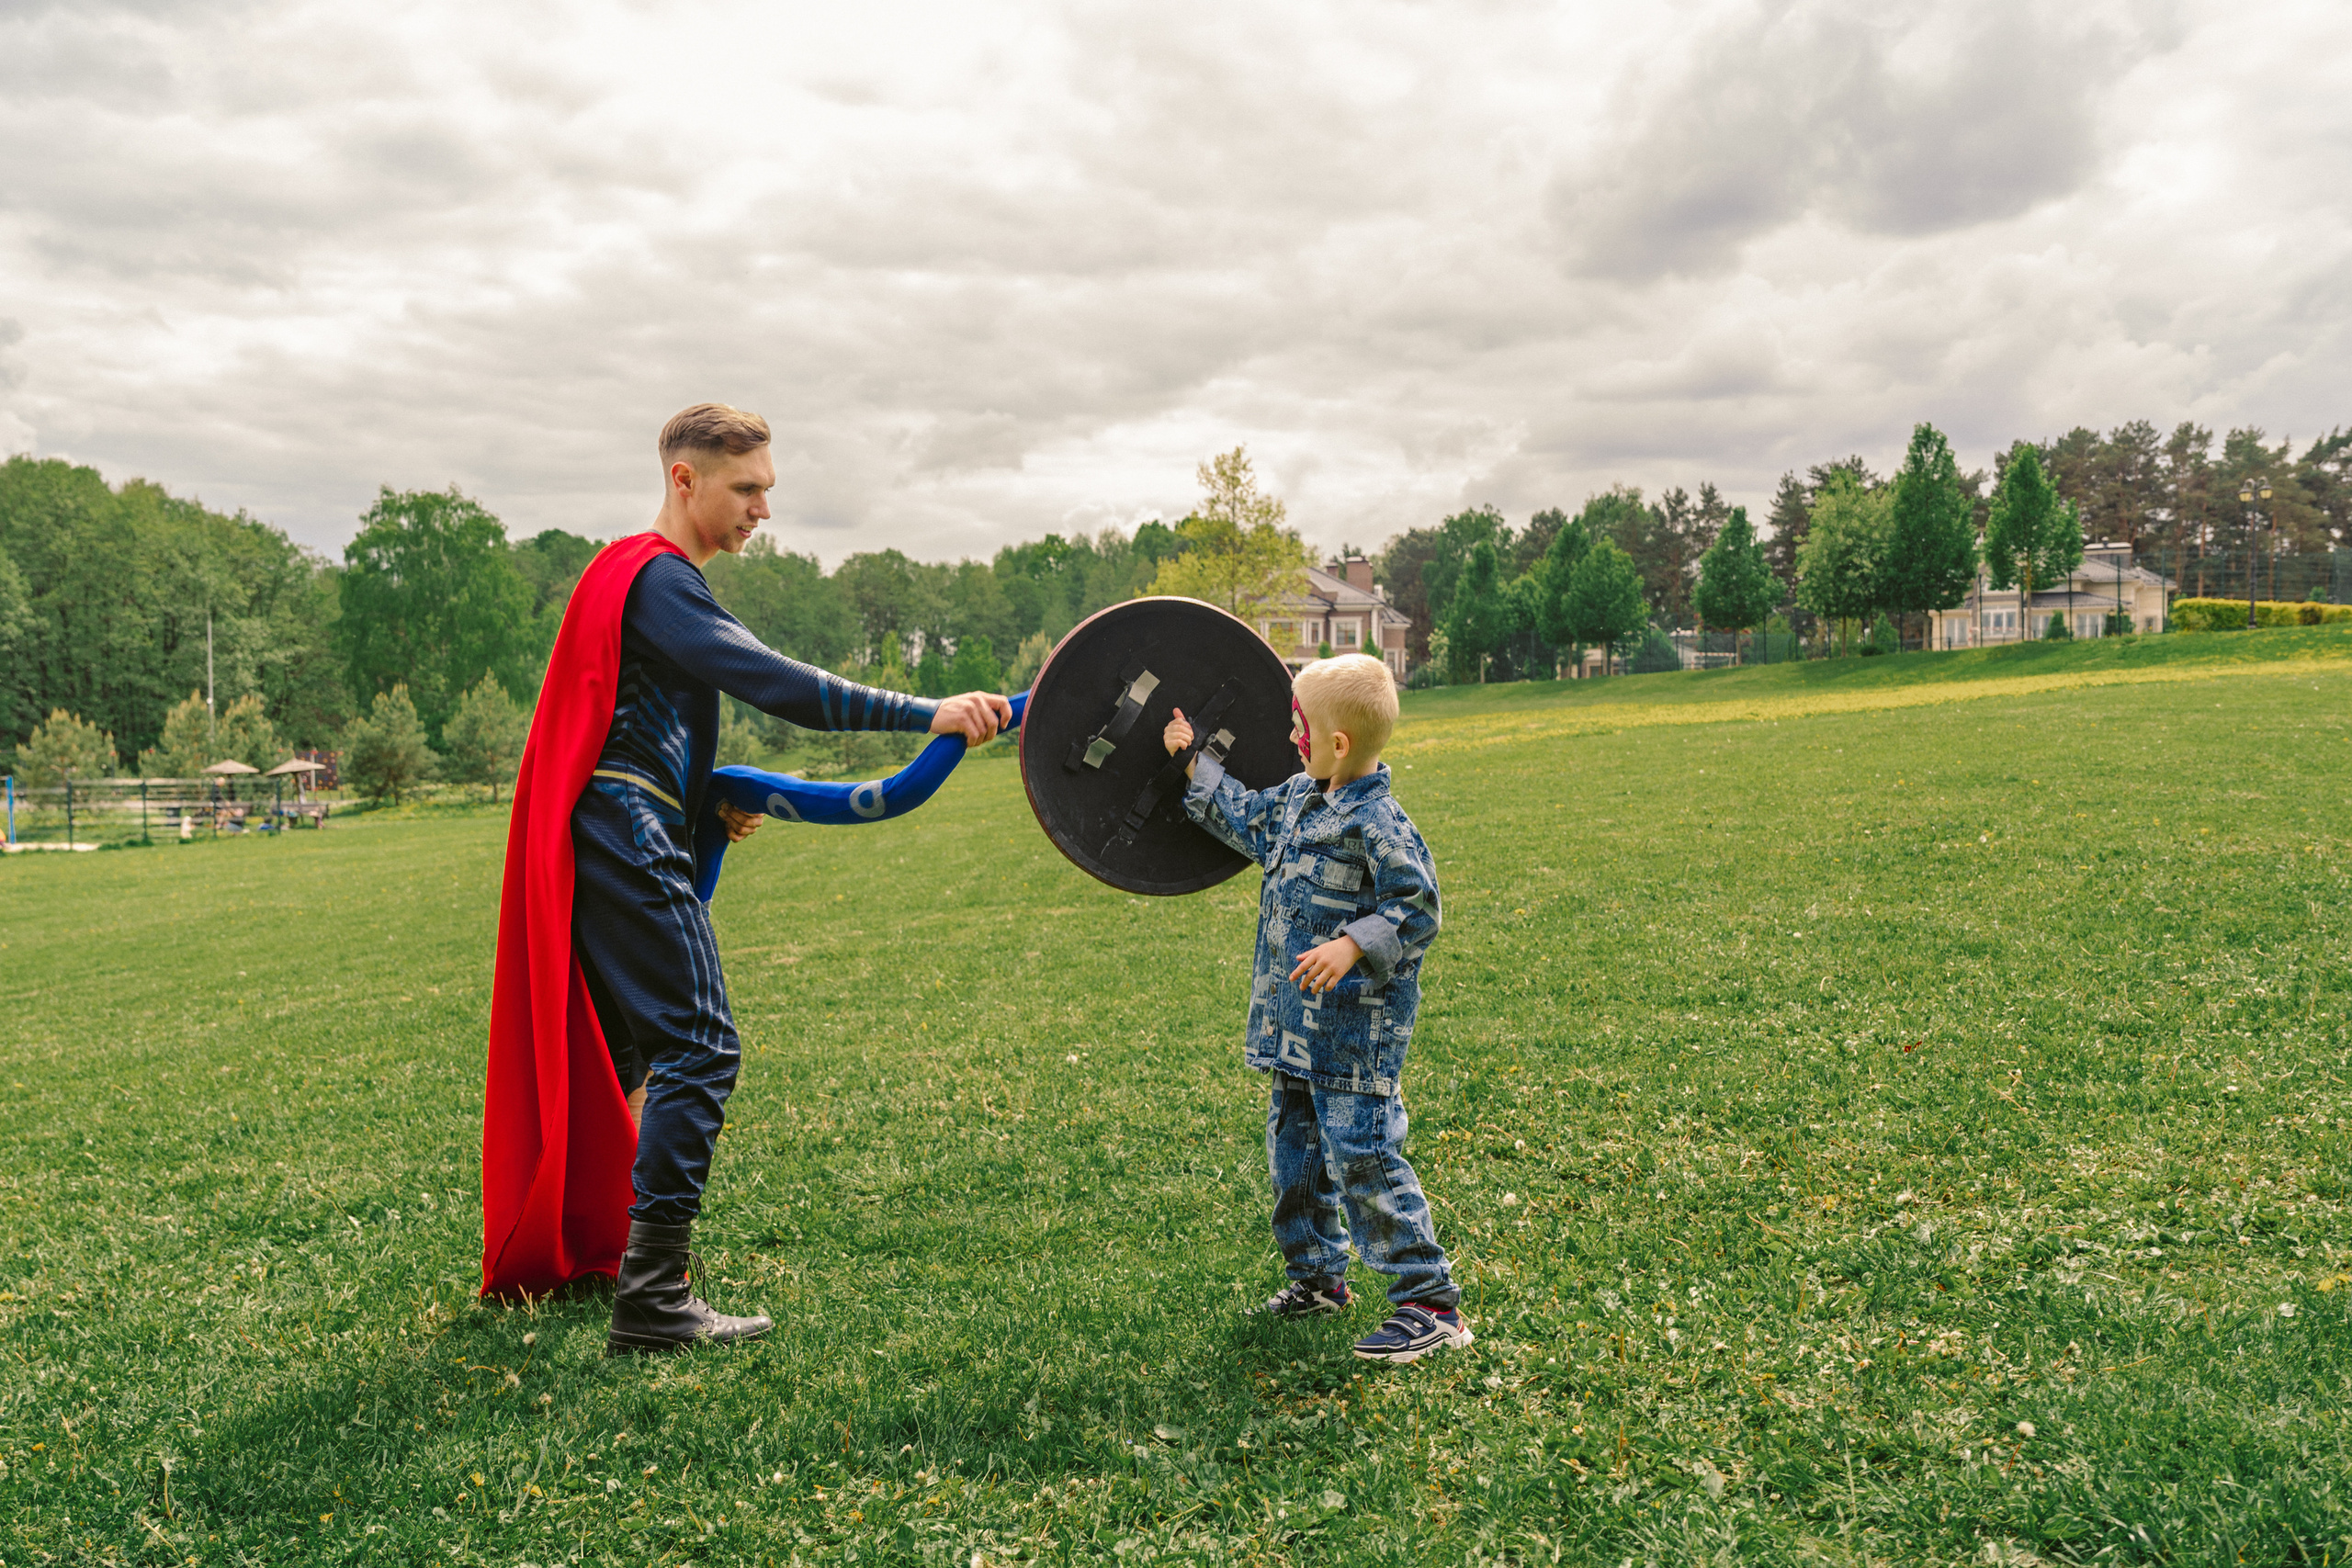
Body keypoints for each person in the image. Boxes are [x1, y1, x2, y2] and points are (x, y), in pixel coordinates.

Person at [481, 402, 1010, 1349]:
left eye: (767, 489)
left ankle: (612, 1253)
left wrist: (704, 806)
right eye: (746, 489)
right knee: (700, 1045)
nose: (762, 509)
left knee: (629, 1054)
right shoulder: (655, 579)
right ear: (684, 480)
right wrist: (922, 710)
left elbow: (641, 723)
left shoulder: (636, 580)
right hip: (620, 826)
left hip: (618, 822)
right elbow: (770, 681)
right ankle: (652, 1298)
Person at [1159, 653, 1464, 1363]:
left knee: (1363, 1155)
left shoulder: (1379, 822)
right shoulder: (1299, 799)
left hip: (1354, 1036)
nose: (1292, 737)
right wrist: (1191, 760)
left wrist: (1353, 946)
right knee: (1293, 1158)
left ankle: (1429, 1301)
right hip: (1293, 1032)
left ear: (1338, 744)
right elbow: (1238, 812)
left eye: (1302, 727)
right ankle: (1319, 1277)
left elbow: (1417, 908)